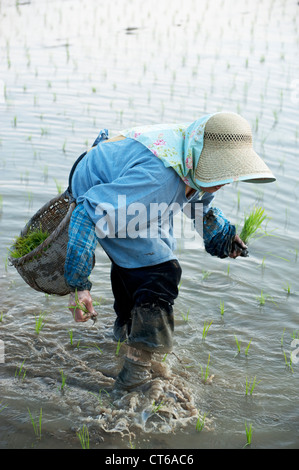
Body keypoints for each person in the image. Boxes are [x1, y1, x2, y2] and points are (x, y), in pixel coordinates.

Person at [64, 112, 276, 390]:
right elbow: (87, 212)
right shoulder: (159, 179)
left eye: (228, 171)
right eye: (220, 171)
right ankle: (136, 374)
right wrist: (78, 286)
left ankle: (126, 332)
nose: (224, 180)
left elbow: (199, 204)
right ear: (200, 157)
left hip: (130, 188)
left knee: (150, 258)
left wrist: (223, 238)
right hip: (97, 186)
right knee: (161, 273)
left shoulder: (194, 164)